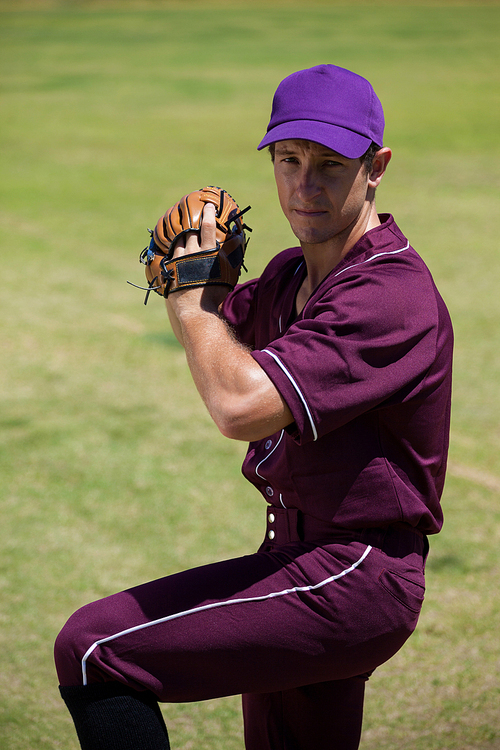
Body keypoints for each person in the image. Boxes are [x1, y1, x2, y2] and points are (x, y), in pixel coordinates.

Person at [54, 64, 453, 750]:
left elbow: (237, 402)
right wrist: (199, 285)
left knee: (94, 651)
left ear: (377, 166)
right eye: (288, 159)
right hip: (293, 557)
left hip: (353, 578)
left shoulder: (390, 295)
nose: (305, 183)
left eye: (330, 164)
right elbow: (223, 334)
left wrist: (188, 296)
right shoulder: (290, 276)